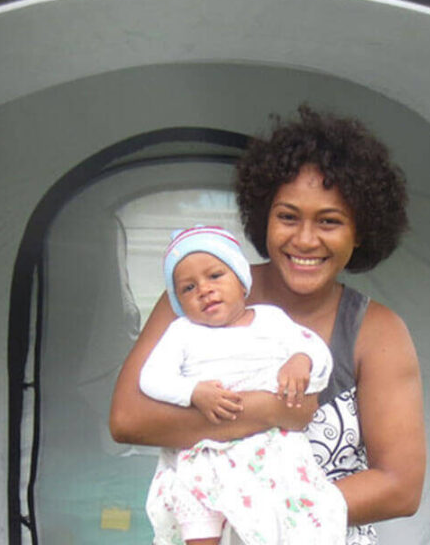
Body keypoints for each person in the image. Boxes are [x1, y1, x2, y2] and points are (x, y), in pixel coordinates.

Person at [110, 105, 426, 545]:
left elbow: (400, 486)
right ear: (262, 218)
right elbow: (128, 418)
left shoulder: (378, 332)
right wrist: (271, 410)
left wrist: (270, 518)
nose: (305, 239)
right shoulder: (197, 297)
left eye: (330, 221)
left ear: (361, 231)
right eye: (288, 216)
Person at [140, 225, 347, 545]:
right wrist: (192, 392)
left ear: (241, 281)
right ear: (179, 301)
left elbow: (316, 350)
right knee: (196, 511)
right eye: (188, 287)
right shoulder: (182, 332)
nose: (204, 290)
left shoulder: (271, 319)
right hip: (205, 451)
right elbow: (151, 378)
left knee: (285, 519)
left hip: (269, 448)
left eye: (215, 276)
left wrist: (300, 360)